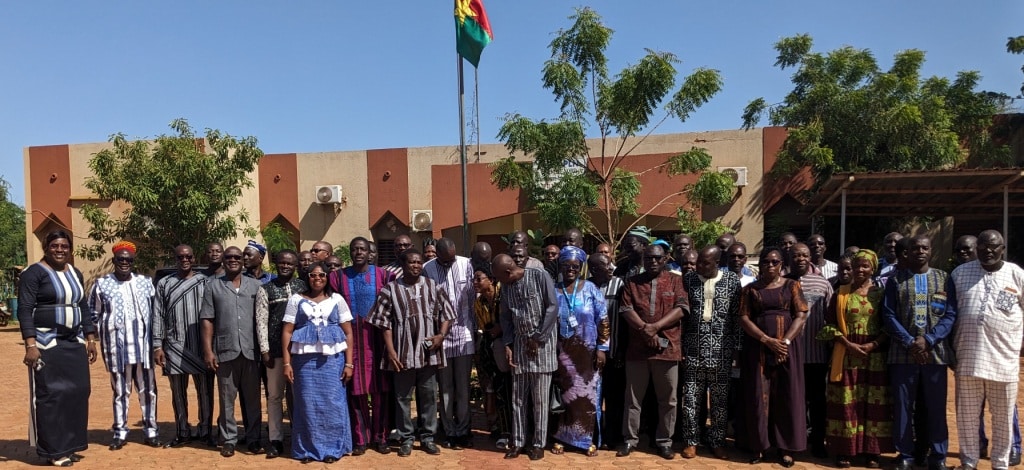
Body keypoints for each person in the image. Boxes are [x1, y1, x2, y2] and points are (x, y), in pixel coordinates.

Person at [19, 230, 99, 467]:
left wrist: (91, 337)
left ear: (70, 248)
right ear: (46, 247)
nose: (60, 250)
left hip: (73, 342)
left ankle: (70, 444)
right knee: (52, 395)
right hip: (46, 343)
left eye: (64, 246)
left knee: (78, 391)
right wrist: (30, 345)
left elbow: (83, 306)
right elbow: (24, 310)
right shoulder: (33, 274)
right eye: (55, 245)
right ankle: (53, 450)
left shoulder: (74, 272)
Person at [948, 230, 1024, 470]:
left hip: (1005, 360)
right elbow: (950, 314)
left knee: (1002, 418)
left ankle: (1000, 463)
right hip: (968, 358)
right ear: (977, 248)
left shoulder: (1017, 274)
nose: (988, 251)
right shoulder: (960, 274)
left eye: (994, 246)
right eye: (983, 247)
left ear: (1003, 248)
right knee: (967, 417)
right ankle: (969, 462)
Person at [368, 249, 456, 457]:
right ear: (403, 265)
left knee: (428, 397)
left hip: (428, 353)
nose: (416, 266)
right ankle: (406, 437)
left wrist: (441, 336)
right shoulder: (390, 290)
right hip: (402, 353)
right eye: (411, 262)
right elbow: (383, 323)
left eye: (418, 262)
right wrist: (390, 351)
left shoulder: (433, 287)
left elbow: (448, 314)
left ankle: (427, 438)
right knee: (402, 398)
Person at [881, 235, 955, 470]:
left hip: (935, 354)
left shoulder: (943, 279)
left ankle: (938, 455)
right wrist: (910, 342)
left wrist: (929, 339)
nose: (920, 251)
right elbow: (888, 315)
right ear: (908, 252)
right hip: (903, 354)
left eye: (925, 247)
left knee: (935, 406)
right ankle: (905, 455)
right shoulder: (895, 280)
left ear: (931, 251)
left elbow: (950, 314)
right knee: (903, 407)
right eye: (915, 248)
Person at [817, 249, 892, 468]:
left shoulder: (881, 294)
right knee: (845, 403)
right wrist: (848, 344)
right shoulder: (840, 293)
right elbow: (829, 324)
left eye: (865, 266)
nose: (860, 269)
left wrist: (873, 344)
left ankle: (871, 452)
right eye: (857, 265)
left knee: (873, 404)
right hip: (846, 354)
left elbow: (889, 325)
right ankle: (844, 451)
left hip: (874, 357)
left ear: (873, 269)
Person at [737, 247, 808, 467]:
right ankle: (759, 446)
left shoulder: (792, 286)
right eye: (765, 262)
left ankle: (786, 448)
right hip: (758, 347)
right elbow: (744, 318)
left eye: (774, 262)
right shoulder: (750, 289)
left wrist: (784, 342)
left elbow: (801, 314)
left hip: (787, 349)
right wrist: (767, 340)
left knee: (787, 395)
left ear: (781, 264)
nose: (770, 266)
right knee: (759, 395)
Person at [617, 243, 687, 461]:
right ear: (643, 259)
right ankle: (630, 439)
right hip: (638, 351)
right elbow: (626, 309)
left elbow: (682, 308)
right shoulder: (632, 283)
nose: (653, 262)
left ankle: (664, 441)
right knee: (633, 399)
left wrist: (655, 328)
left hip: (668, 350)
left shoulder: (676, 280)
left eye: (657, 258)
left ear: (666, 258)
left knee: (668, 400)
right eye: (649, 258)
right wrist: (646, 331)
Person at [89, 241, 160, 450]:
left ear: (133, 261)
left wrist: (157, 344)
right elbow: (92, 315)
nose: (125, 263)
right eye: (121, 259)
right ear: (114, 261)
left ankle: (151, 431)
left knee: (148, 391)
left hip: (143, 349)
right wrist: (91, 340)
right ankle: (120, 432)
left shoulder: (145, 283)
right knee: (120, 392)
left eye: (129, 260)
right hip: (116, 350)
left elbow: (155, 312)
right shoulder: (102, 285)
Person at [201, 246, 271, 457]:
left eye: (237, 257)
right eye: (228, 257)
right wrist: (208, 351)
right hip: (225, 350)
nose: (233, 260)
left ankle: (253, 439)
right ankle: (229, 439)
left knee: (252, 399)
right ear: (223, 260)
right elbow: (207, 319)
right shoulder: (213, 286)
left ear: (243, 261)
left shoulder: (256, 286)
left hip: (251, 351)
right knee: (226, 398)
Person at [281, 262, 354, 463]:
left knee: (332, 403)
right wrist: (287, 363)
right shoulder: (296, 300)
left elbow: (348, 333)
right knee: (306, 404)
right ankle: (306, 450)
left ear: (327, 277)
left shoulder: (337, 299)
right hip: (304, 363)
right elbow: (287, 331)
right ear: (307, 277)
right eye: (313, 275)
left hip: (332, 361)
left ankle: (332, 449)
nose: (317, 278)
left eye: (321, 274)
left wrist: (349, 364)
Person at [330, 237, 396, 455]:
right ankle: (360, 439)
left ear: (370, 253)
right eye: (354, 249)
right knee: (355, 392)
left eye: (362, 249)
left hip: (378, 341)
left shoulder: (385, 276)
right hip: (351, 343)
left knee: (381, 391)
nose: (358, 252)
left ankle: (381, 437)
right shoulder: (338, 277)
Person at [494, 253, 559, 461]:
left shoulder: (540, 275)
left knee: (540, 400)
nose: (497, 282)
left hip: (542, 346)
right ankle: (518, 441)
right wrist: (508, 344)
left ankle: (539, 444)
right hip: (520, 348)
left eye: (498, 277)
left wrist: (538, 338)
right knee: (518, 398)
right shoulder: (506, 287)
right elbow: (505, 317)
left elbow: (552, 307)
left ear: (507, 271)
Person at [679, 246, 741, 460]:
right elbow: (683, 317)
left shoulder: (732, 281)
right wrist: (681, 347)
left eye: (704, 263)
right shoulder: (688, 280)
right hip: (693, 351)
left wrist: (737, 350)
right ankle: (691, 441)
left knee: (719, 402)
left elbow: (736, 317)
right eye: (698, 263)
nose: (698, 267)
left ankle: (717, 442)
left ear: (717, 262)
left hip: (722, 352)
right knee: (691, 400)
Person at [154, 244, 215, 448]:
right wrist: (157, 345)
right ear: (175, 258)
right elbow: (158, 315)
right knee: (178, 393)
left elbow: (213, 314)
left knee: (205, 392)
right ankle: (182, 431)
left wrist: (212, 347)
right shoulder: (165, 283)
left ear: (194, 257)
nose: (185, 260)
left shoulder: (204, 282)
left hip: (201, 347)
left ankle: (206, 431)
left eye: (188, 256)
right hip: (174, 346)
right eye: (180, 257)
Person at [550, 246, 608, 457]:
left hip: (588, 352)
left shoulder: (591, 288)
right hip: (561, 353)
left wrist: (602, 348)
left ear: (581, 267)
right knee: (564, 396)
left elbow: (603, 319)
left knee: (587, 396)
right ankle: (561, 437)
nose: (570, 270)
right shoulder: (553, 289)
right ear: (561, 266)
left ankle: (585, 439)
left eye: (575, 266)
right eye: (566, 266)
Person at [423, 238, 476, 450]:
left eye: (451, 259)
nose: (448, 264)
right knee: (445, 388)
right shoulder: (428, 269)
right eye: (444, 261)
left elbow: (474, 298)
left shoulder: (467, 264)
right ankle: (449, 431)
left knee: (463, 387)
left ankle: (463, 431)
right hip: (440, 337)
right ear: (437, 255)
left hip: (464, 334)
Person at [785, 243, 834, 459]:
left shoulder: (822, 283)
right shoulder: (782, 281)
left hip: (816, 354)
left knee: (817, 400)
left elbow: (831, 316)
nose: (801, 259)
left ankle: (818, 441)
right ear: (790, 257)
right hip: (789, 353)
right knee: (792, 399)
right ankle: (793, 442)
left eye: (804, 255)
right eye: (796, 255)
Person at [260, 249, 307, 458]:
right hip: (275, 351)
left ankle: (299, 436)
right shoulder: (266, 289)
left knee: (298, 396)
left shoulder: (303, 287)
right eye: (282, 263)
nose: (285, 266)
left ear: (296, 265)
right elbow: (260, 321)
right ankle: (276, 439)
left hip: (299, 351)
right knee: (275, 396)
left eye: (290, 263)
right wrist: (264, 350)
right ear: (276, 264)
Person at [588, 252, 627, 450]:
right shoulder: (585, 287)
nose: (611, 267)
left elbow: (623, 320)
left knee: (614, 397)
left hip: (613, 352)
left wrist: (619, 349)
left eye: (611, 263)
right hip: (589, 353)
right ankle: (594, 437)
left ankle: (612, 438)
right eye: (606, 265)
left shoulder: (619, 285)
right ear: (594, 270)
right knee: (592, 397)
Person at [472, 267, 511, 448]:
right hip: (490, 348)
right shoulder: (479, 302)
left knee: (507, 391)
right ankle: (498, 428)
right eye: (474, 279)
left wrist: (500, 329)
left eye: (479, 279)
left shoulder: (504, 295)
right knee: (492, 389)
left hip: (508, 347)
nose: (475, 283)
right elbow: (484, 328)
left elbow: (510, 320)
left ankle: (510, 430)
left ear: (491, 279)